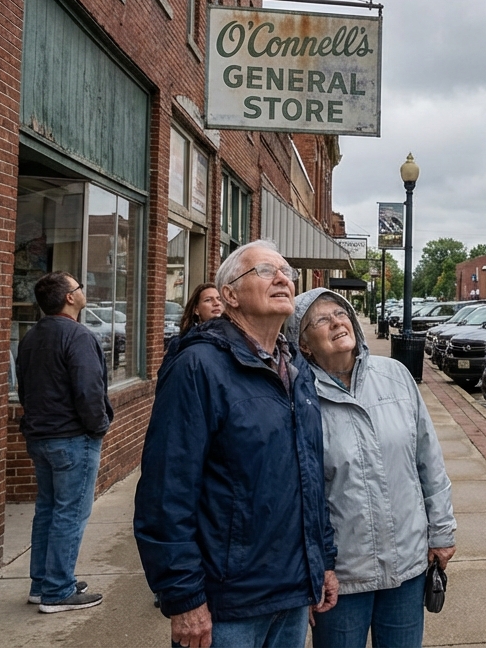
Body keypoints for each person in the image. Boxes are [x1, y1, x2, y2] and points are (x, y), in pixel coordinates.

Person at [135, 240, 339, 648]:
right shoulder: (198, 366)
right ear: (229, 295)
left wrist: (323, 563)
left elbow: (310, 475)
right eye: (265, 271)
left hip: (293, 593)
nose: (283, 278)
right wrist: (184, 597)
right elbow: (166, 491)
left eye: (286, 272)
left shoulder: (296, 370)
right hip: (227, 606)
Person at [285, 288, 456, 648]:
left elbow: (428, 459)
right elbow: (298, 493)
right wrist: (312, 568)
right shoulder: (296, 397)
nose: (336, 322)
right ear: (303, 344)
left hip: (407, 564)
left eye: (340, 313)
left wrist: (441, 530)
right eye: (320, 319)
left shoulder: (394, 375)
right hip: (342, 577)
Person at [17, 271, 113, 613]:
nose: (82, 291)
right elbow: (89, 390)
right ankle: (58, 590)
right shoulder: (77, 335)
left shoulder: (31, 337)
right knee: (70, 513)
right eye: (79, 287)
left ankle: (43, 584)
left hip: (41, 436)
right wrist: (98, 426)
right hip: (73, 438)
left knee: (48, 510)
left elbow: (24, 390)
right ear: (70, 298)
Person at [164, 283, 225, 359]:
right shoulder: (182, 344)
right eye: (208, 300)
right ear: (196, 309)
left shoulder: (235, 336)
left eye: (219, 299)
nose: (216, 303)